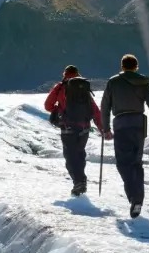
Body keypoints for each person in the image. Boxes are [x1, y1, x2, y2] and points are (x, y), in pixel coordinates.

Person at [101, 54, 149, 218]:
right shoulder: (143, 82)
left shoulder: (113, 82)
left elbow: (105, 106)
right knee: (136, 163)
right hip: (139, 125)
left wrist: (105, 128)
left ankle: (134, 198)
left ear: (122, 66)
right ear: (136, 67)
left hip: (121, 124)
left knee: (123, 164)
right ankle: (138, 199)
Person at [44, 65, 104, 197]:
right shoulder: (84, 88)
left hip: (68, 127)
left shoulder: (60, 87)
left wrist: (58, 110)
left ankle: (79, 182)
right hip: (84, 128)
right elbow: (95, 110)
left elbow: (47, 105)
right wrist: (102, 128)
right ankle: (80, 180)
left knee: (70, 157)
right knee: (79, 154)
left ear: (65, 74)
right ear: (78, 74)